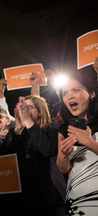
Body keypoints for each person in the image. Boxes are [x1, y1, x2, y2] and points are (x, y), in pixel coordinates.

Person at [0, 95, 65, 216]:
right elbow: (6, 158)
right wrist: (19, 129)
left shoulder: (52, 129)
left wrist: (29, 123)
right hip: (28, 200)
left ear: (41, 111)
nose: (24, 111)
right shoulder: (17, 133)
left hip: (50, 198)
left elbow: (48, 151)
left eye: (29, 108)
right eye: (23, 108)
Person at [56, 73, 98, 215]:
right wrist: (63, 154)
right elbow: (63, 168)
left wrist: (89, 142)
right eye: (65, 93)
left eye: (76, 90)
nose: (70, 96)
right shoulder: (64, 130)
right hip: (77, 203)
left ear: (92, 93)